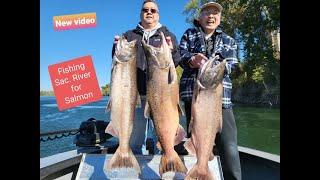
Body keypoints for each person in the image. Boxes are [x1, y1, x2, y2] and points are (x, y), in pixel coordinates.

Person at [179, 2, 242, 180]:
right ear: (200, 17)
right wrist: (192, 59)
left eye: (215, 13)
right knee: (196, 142)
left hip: (222, 99)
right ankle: (200, 171)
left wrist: (217, 66)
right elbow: (180, 56)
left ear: (220, 18)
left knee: (229, 146)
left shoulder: (229, 40)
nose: (211, 16)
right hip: (194, 98)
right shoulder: (189, 35)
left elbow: (233, 64)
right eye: (207, 13)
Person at [111, 0, 181, 155]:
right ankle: (134, 171)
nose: (149, 12)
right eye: (145, 9)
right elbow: (118, 64)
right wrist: (115, 48)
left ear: (158, 14)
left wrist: (172, 51)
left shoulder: (168, 35)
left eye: (153, 10)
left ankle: (165, 168)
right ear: (141, 13)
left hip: (161, 98)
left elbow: (176, 62)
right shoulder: (129, 35)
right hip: (135, 98)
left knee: (162, 142)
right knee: (135, 143)